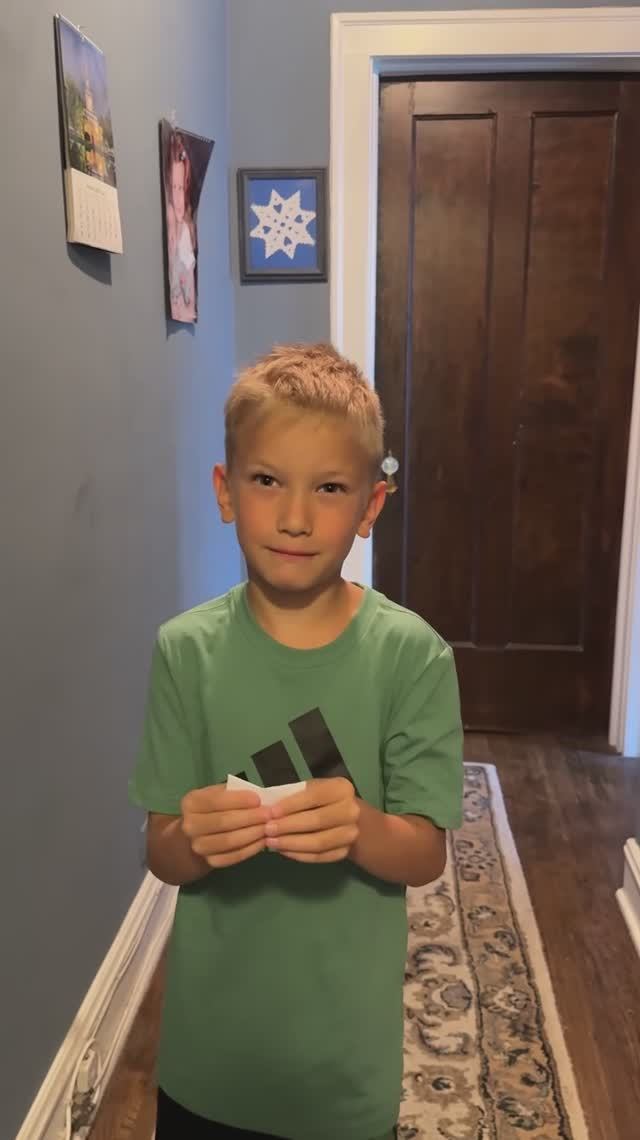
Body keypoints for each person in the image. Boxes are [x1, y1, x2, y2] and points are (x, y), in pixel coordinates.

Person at [130, 343, 464, 1140]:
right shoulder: (185, 651)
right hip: (208, 1064)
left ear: (370, 507)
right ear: (225, 490)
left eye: (330, 489)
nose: (294, 518)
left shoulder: (413, 657)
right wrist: (194, 839)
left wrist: (360, 827)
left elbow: (424, 853)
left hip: (342, 1075)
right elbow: (162, 852)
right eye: (267, 480)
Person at [165, 130, 197, 322]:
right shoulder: (173, 229)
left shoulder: (186, 230)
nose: (179, 198)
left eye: (182, 189)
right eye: (174, 188)